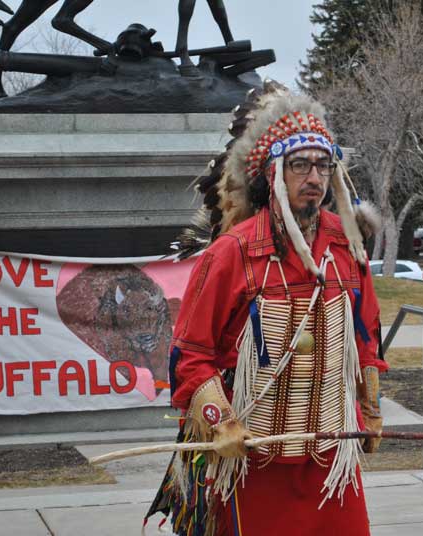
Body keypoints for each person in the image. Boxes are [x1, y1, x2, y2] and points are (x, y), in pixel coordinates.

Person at [145, 82, 387, 536]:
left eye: (322, 165)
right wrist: (220, 421)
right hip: (249, 458)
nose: (313, 178)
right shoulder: (232, 253)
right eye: (300, 165)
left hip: (330, 458)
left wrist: (370, 409)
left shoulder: (346, 247)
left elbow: (366, 338)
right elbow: (190, 357)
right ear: (272, 174)